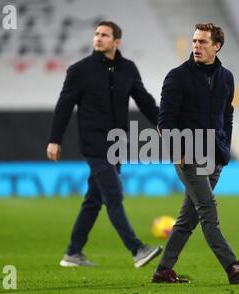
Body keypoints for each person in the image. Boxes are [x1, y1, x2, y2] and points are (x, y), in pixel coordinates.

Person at [47, 21, 162, 268]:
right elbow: (64, 106)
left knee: (93, 200)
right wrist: (55, 139)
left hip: (117, 144)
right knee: (114, 195)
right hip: (94, 144)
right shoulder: (79, 70)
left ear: (116, 41)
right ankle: (137, 249)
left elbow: (144, 99)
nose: (98, 38)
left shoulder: (128, 68)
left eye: (104, 35)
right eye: (96, 34)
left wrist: (160, 122)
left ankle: (72, 253)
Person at [153, 23, 239, 284]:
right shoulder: (177, 76)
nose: (196, 46)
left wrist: (225, 147)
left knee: (187, 218)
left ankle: (163, 270)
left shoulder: (226, 77)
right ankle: (232, 266)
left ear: (217, 46)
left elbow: (227, 115)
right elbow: (164, 120)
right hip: (188, 156)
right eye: (194, 41)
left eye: (202, 42)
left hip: (215, 156)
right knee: (208, 209)